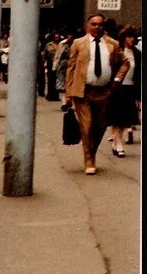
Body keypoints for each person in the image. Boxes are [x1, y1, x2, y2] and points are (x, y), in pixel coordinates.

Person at [64, 13, 129, 175]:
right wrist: (68, 93)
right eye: (94, 24)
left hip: (104, 92)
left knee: (100, 127)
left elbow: (125, 62)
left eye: (100, 24)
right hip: (83, 91)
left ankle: (92, 150)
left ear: (104, 26)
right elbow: (71, 69)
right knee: (87, 126)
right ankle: (89, 159)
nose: (97, 27)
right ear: (88, 25)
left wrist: (117, 78)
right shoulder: (79, 44)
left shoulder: (112, 44)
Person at [107, 26, 141, 154]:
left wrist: (139, 96)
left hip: (130, 88)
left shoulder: (137, 54)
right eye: (129, 36)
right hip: (117, 88)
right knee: (117, 117)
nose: (132, 39)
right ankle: (118, 144)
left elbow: (139, 74)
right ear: (123, 38)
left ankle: (116, 143)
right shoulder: (117, 51)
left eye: (133, 37)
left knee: (125, 118)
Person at [43, 32, 61, 101]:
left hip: (59, 65)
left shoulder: (61, 44)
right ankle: (50, 95)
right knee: (50, 80)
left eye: (58, 37)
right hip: (50, 64)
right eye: (55, 37)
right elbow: (45, 54)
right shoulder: (49, 45)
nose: (57, 38)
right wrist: (44, 63)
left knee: (57, 81)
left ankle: (56, 96)